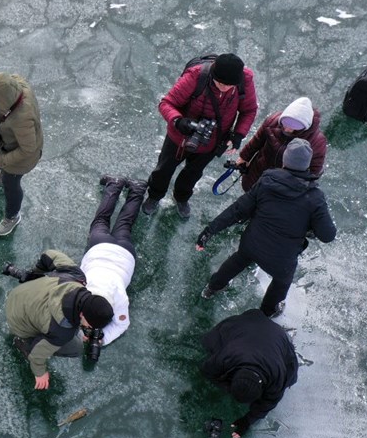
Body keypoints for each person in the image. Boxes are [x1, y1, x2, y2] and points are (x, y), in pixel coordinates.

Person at [196, 139, 337, 316]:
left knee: (239, 259)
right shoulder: (315, 197)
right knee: (281, 281)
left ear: (285, 161)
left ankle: (212, 288)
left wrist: (209, 230)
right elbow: (327, 235)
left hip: (252, 243)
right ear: (307, 165)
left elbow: (238, 209)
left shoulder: (267, 180)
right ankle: (268, 311)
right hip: (281, 258)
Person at [143, 53, 259, 218]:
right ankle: (154, 195)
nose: (224, 88)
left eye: (229, 86)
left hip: (213, 140)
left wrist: (238, 134)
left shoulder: (244, 80)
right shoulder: (196, 76)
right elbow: (166, 103)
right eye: (220, 83)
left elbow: (249, 110)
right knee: (164, 169)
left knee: (193, 173)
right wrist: (178, 121)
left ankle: (182, 197)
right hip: (180, 138)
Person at [3, 250, 114, 390]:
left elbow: (49, 255)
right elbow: (37, 355)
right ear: (82, 316)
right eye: (91, 325)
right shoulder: (62, 331)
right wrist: (40, 373)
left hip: (21, 293)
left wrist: (35, 273)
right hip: (17, 320)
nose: (91, 329)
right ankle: (24, 343)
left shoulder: (76, 277)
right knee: (77, 348)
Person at [200, 308, 298, 438]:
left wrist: (247, 421)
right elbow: (207, 370)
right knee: (208, 342)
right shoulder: (227, 356)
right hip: (245, 324)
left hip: (277, 336)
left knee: (291, 377)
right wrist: (228, 387)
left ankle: (288, 338)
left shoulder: (278, 376)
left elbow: (269, 402)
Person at [77, 175, 151, 345]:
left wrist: (102, 337)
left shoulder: (120, 299)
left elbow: (122, 324)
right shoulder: (84, 289)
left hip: (124, 253)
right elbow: (121, 324)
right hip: (100, 247)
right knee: (101, 220)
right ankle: (116, 184)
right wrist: (103, 338)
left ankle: (136, 188)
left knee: (125, 223)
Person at [0, 72, 43, 236]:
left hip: (23, 158)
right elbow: (14, 77)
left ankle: (12, 216)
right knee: (6, 175)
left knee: (11, 185)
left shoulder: (22, 117)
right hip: (8, 144)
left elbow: (28, 149)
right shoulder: (13, 91)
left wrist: (2, 160)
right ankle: (2, 176)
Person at [233, 96, 327, 191]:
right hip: (258, 172)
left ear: (304, 127)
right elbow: (257, 141)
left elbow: (314, 169)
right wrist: (244, 157)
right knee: (249, 193)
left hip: (284, 185)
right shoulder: (273, 121)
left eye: (293, 127)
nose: (286, 129)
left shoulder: (317, 142)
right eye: (285, 124)